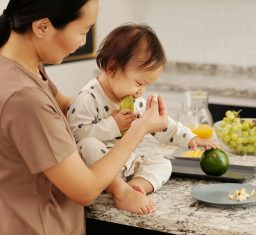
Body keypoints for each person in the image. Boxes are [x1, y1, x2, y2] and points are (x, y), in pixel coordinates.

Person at [0, 1, 170, 235]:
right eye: (83, 31)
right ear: (42, 27)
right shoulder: (24, 97)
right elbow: (86, 189)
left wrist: (102, 99)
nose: (83, 42)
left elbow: (65, 105)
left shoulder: (25, 67)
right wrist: (138, 130)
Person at [66, 23, 217, 211]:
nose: (141, 92)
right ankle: (117, 189)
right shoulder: (88, 97)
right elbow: (74, 136)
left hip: (126, 166)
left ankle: (135, 186)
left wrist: (191, 138)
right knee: (88, 145)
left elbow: (162, 126)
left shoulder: (133, 100)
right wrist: (113, 124)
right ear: (112, 68)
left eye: (146, 86)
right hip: (99, 169)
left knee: (163, 163)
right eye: (139, 83)